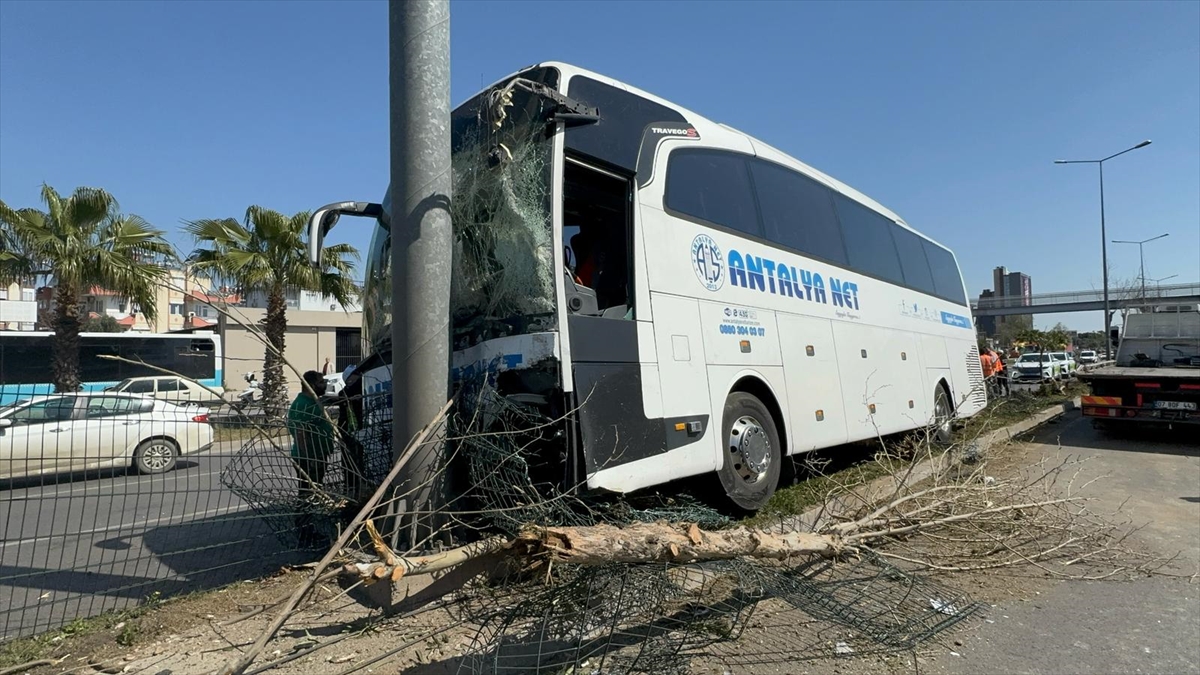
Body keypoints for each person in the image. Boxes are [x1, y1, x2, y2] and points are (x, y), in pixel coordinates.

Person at [287, 370, 336, 548]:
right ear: (311, 385)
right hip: (308, 458)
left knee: (311, 492)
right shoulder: (303, 405)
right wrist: (311, 457)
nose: (324, 384)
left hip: (317, 455)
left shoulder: (311, 402)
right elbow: (300, 435)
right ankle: (305, 532)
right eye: (321, 381)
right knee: (307, 494)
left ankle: (307, 529)